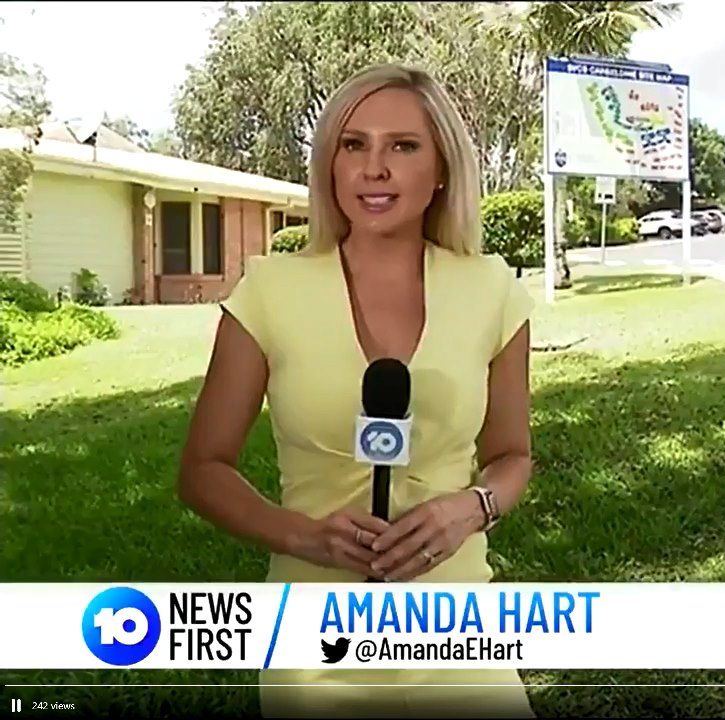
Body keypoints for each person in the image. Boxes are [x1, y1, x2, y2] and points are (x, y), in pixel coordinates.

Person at [177, 63, 536, 718]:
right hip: (318, 646)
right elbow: (203, 471)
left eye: (403, 146)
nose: (374, 168)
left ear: (441, 169)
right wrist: (302, 537)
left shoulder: (493, 290)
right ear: (330, 165)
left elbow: (513, 455)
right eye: (353, 144)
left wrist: (471, 509)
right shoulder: (270, 291)